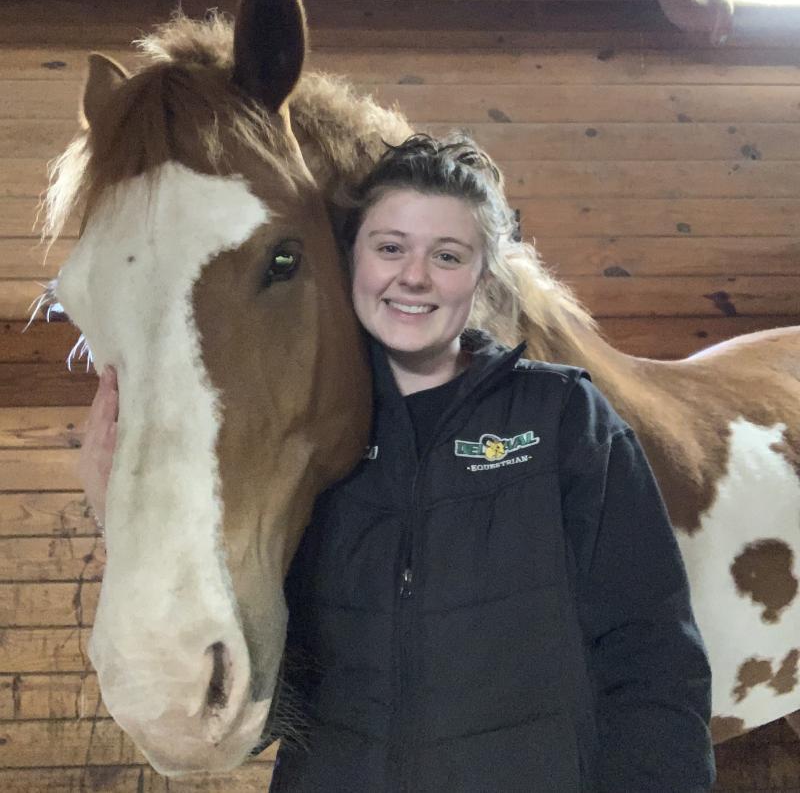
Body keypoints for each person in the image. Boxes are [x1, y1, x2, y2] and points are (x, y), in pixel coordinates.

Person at [79, 135, 715, 793]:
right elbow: (257, 702)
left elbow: (655, 659)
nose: (414, 276)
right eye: (390, 247)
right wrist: (119, 516)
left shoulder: (563, 418)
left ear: (483, 274)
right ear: (349, 259)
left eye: (447, 254)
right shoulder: (309, 440)